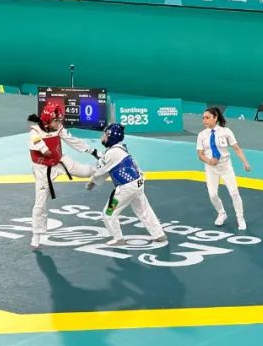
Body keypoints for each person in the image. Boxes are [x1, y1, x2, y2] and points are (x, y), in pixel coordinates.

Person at [27, 100, 97, 249]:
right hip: (43, 170)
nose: (59, 123)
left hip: (60, 161)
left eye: (60, 120)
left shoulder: (58, 128)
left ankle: (101, 170)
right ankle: (36, 235)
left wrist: (92, 151)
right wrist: (45, 150)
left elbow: (73, 141)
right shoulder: (35, 132)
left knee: (85, 171)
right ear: (47, 120)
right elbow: (39, 145)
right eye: (56, 121)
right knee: (40, 203)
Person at [85, 124, 167, 248]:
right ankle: (158, 234)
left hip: (126, 188)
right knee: (144, 210)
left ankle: (118, 238)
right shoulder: (121, 149)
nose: (102, 137)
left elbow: (99, 170)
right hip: (138, 184)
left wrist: (91, 181)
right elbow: (108, 168)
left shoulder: (111, 153)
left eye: (105, 134)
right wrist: (94, 180)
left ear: (111, 137)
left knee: (108, 213)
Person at [196, 107, 251, 231]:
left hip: (226, 166)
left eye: (207, 118)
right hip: (211, 168)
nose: (204, 120)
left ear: (215, 118)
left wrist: (245, 162)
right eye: (203, 118)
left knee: (234, 193)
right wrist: (209, 161)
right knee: (213, 194)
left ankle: (240, 218)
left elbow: (236, 148)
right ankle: (221, 213)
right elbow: (200, 154)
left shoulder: (226, 131)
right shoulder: (201, 135)